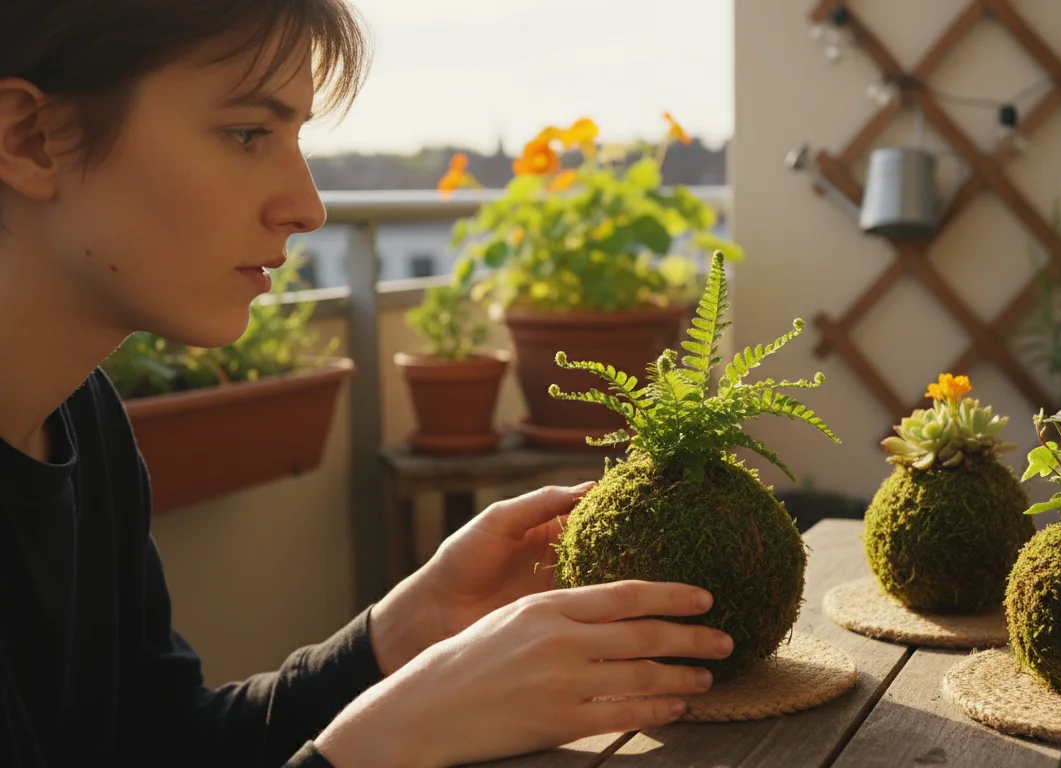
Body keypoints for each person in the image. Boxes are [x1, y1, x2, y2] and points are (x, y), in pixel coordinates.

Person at [0, 1, 735, 766]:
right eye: (248, 132)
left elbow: (159, 744)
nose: (308, 207)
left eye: (294, 138)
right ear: (32, 137)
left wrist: (408, 631)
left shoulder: (81, 419)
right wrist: (393, 741)